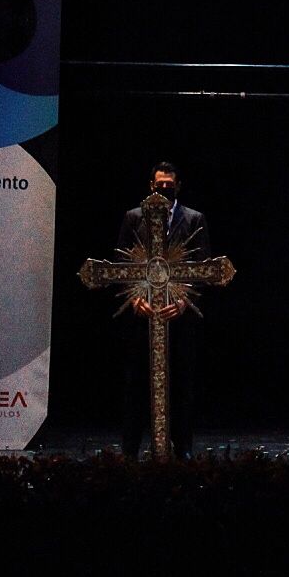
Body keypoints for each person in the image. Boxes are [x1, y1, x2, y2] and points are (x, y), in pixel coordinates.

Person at [117, 161, 209, 459]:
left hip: (179, 319)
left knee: (182, 387)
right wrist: (134, 299)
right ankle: (129, 452)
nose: (164, 191)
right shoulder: (134, 218)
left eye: (170, 186)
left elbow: (204, 270)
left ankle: (183, 450)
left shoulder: (195, 220)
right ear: (151, 186)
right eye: (160, 186)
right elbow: (122, 267)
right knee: (135, 387)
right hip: (142, 319)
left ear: (178, 187)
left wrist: (184, 302)